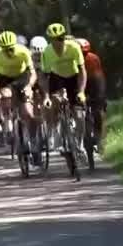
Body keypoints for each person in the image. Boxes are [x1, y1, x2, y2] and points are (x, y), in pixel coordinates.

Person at [0, 31, 39, 161]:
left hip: (22, 77)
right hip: (5, 79)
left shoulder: (23, 51)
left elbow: (33, 73)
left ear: (15, 45)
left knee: (28, 113)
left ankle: (34, 141)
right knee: (5, 97)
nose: (8, 52)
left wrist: (29, 87)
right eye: (5, 49)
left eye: (11, 48)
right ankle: (9, 124)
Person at [40, 23, 87, 153]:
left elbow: (82, 71)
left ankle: (79, 142)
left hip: (73, 77)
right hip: (57, 78)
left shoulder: (74, 47)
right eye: (55, 39)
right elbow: (44, 76)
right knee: (54, 102)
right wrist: (46, 97)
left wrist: (82, 91)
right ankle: (57, 134)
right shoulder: (47, 52)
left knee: (79, 115)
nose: (59, 42)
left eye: (61, 38)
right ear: (51, 40)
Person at [77, 38, 106, 152]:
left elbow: (98, 79)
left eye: (85, 53)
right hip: (79, 83)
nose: (83, 56)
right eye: (81, 53)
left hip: (94, 82)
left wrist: (100, 97)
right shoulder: (72, 59)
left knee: (98, 112)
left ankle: (99, 139)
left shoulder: (93, 59)